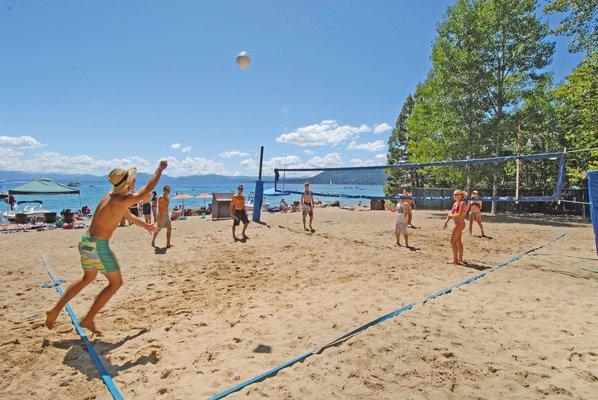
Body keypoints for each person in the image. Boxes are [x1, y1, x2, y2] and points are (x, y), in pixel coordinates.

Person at [45, 161, 167, 334]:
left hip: (85, 242)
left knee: (87, 278)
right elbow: (146, 191)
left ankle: (55, 310)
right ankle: (88, 319)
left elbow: (128, 216)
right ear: (128, 183)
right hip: (98, 246)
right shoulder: (122, 199)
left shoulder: (109, 197)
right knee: (116, 283)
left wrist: (145, 226)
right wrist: (159, 170)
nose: (134, 182)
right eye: (133, 180)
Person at [444, 189, 469, 265]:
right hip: (458, 224)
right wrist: (446, 221)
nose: (454, 196)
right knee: (458, 241)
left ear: (460, 195)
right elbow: (451, 212)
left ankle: (455, 261)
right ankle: (460, 259)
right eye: (454, 194)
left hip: (459, 224)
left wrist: (450, 215)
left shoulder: (462, 203)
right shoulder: (455, 203)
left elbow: (459, 214)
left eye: (456, 194)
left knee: (452, 241)